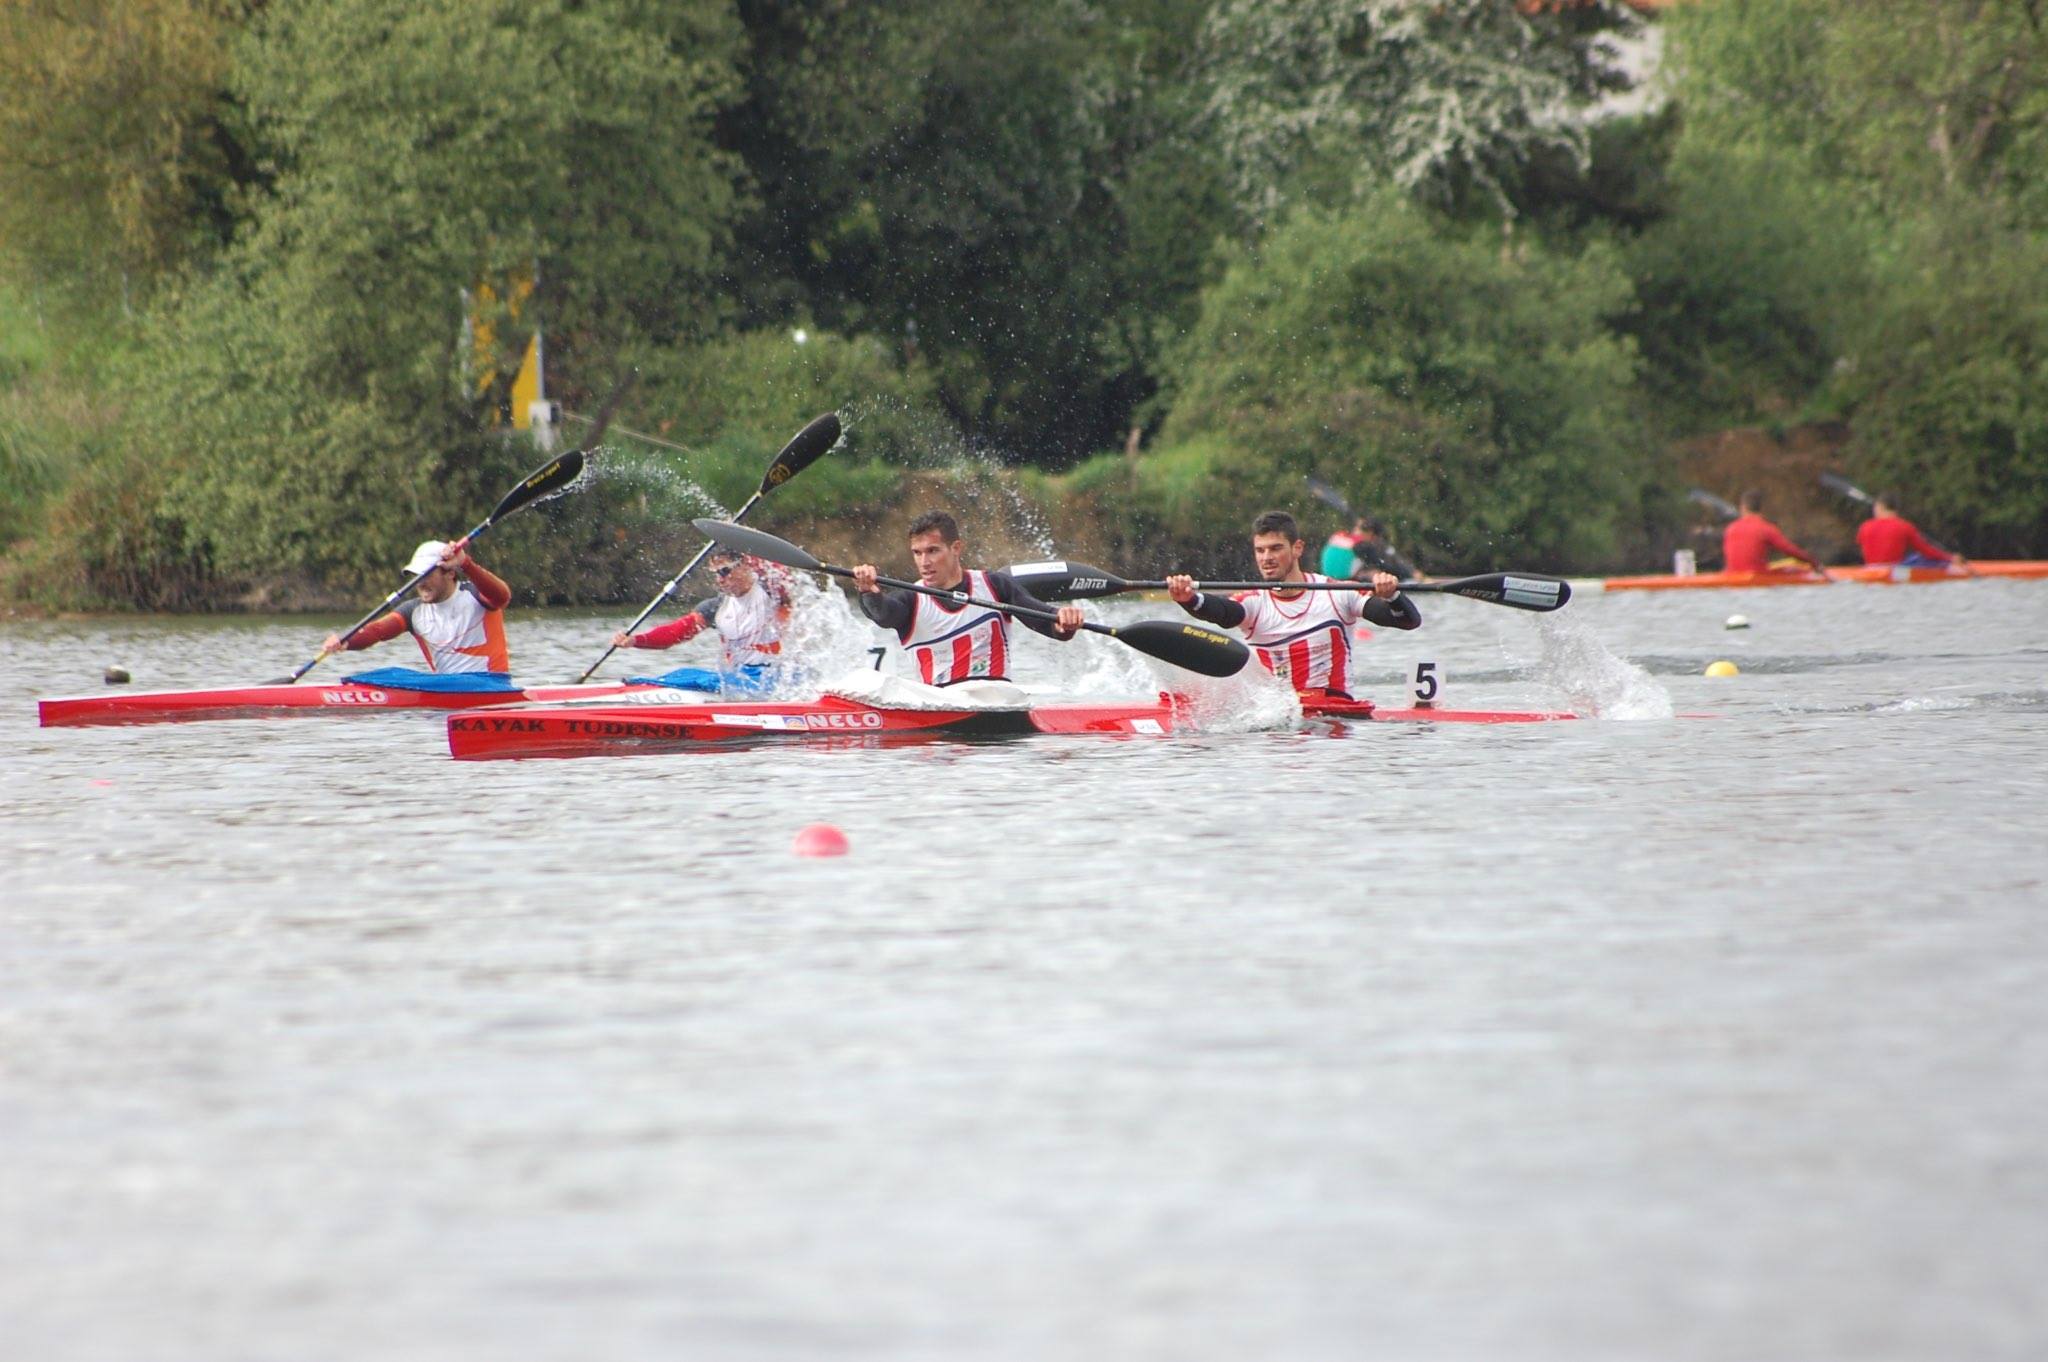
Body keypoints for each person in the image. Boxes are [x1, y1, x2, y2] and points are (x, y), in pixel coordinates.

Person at [1167, 510, 1420, 699]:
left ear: (1297, 548)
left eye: (1276, 548)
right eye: (1260, 550)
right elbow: (1221, 612)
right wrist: (1190, 598)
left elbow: (1407, 621)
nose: (1266, 558)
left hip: (1334, 719)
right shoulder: (1254, 602)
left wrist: (1392, 596)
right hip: (1276, 719)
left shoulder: (1336, 593)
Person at [851, 511, 1086, 686]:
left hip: (997, 703)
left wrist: (1063, 620)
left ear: (956, 548)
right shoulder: (911, 599)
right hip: (941, 709)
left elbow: (1045, 621)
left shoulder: (995, 585)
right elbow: (883, 614)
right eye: (917, 553)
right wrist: (868, 590)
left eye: (933, 551)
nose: (924, 562)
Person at [610, 547, 792, 692]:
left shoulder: (771, 591)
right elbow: (676, 632)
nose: (720, 579)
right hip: (738, 677)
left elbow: (783, 575)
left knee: (706, 679)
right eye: (716, 573)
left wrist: (747, 544)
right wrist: (635, 640)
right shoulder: (715, 607)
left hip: (774, 676)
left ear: (745, 566)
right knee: (682, 673)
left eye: (724, 571)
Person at [322, 538, 510, 672]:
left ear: (450, 573)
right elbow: (377, 631)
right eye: (416, 577)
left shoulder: (476, 594)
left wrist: (465, 563)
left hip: (492, 689)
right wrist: (345, 640)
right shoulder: (413, 611)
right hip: (447, 697)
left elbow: (502, 597)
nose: (420, 583)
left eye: (426, 575)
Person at [1721, 490, 1826, 575]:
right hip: (1757, 577)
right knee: (1794, 570)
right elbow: (1790, 550)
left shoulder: (1730, 528)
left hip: (1731, 575)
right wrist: (1814, 562)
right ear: (1762, 508)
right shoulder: (1766, 528)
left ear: (1742, 508)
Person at [1857, 492, 1963, 569]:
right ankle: (1952, 564)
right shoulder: (1904, 526)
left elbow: (1864, 549)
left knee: (1912, 557)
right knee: (1919, 557)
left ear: (1880, 507)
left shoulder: (1864, 526)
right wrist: (1949, 558)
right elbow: (1926, 550)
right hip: (1894, 569)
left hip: (1870, 569)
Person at [1348, 514, 1421, 582]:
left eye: (1359, 528)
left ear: (1370, 532)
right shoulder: (1354, 548)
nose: (1355, 531)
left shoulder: (1378, 549)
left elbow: (1396, 565)